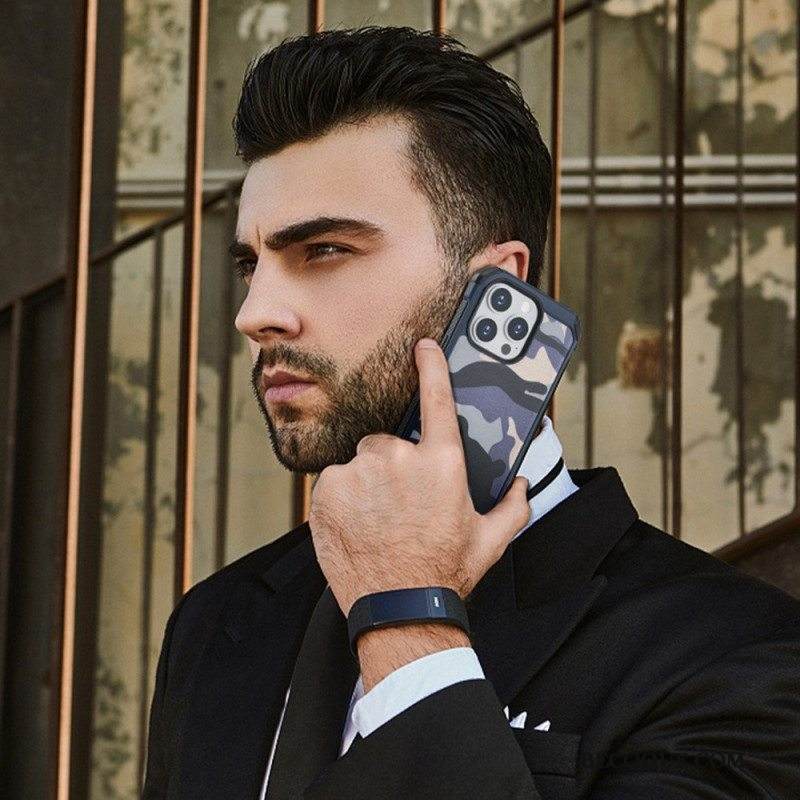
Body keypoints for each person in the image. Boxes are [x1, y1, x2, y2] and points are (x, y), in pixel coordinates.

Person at [142, 26, 800, 799]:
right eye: (252, 265)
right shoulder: (218, 623)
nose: (255, 313)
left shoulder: (737, 654)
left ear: (499, 286)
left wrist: (407, 620)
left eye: (323, 250)